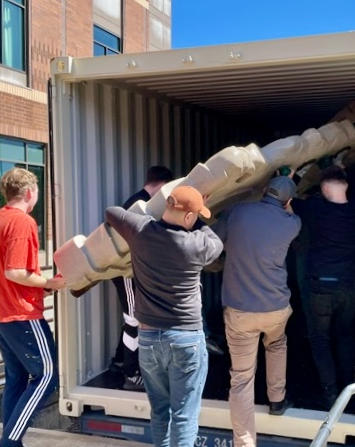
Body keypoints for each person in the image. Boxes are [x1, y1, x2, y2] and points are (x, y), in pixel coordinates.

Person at [105, 185, 223, 447]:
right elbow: (217, 242)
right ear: (190, 217)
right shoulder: (197, 244)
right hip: (186, 339)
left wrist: (152, 213)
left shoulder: (140, 230)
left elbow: (112, 213)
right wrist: (202, 220)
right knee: (183, 415)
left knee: (159, 412)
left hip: (148, 339)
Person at [0, 168, 67, 447]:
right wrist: (50, 282)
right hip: (19, 313)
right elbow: (15, 271)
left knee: (16, 377)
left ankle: (10, 442)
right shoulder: (22, 222)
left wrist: (43, 284)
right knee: (47, 376)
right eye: (37, 192)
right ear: (29, 192)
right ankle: (8, 442)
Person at [212, 176, 301, 447]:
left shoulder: (238, 211)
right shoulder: (292, 223)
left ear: (264, 191)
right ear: (288, 201)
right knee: (276, 344)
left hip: (240, 311)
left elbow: (215, 242)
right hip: (275, 307)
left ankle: (245, 441)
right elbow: (289, 214)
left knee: (241, 377)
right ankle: (277, 399)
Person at [291, 165, 355, 410]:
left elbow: (286, 199)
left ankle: (330, 396)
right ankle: (348, 390)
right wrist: (345, 170)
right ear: (345, 185)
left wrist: (293, 173)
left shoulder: (315, 209)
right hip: (348, 285)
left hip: (320, 287)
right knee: (345, 334)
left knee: (320, 340)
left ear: (324, 189)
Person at [108, 165, 173, 392]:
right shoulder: (140, 206)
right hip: (126, 271)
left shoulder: (139, 201)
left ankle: (119, 361)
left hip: (131, 270)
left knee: (132, 318)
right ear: (162, 185)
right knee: (134, 321)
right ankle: (131, 375)